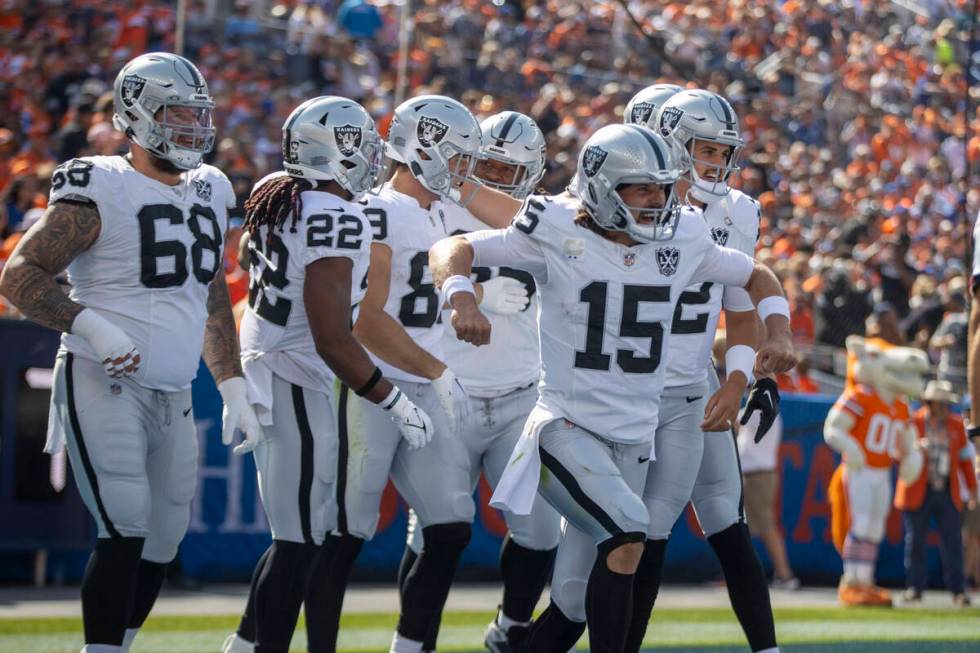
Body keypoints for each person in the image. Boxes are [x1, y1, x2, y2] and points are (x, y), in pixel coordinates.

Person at [430, 122, 798, 653]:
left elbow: (756, 274)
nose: (658, 200)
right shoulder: (556, 226)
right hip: (564, 427)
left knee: (573, 602)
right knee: (630, 531)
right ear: (602, 186)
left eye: (662, 186)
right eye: (642, 187)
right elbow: (455, 246)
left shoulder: (686, 233)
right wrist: (461, 297)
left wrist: (780, 331)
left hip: (634, 439)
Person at [0, 53, 265, 653]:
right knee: (125, 524)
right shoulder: (100, 184)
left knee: (164, 541)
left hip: (173, 388)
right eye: (175, 114)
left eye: (198, 115)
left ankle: (116, 643)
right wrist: (90, 325)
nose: (192, 129)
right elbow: (20, 275)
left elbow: (211, 295)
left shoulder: (211, 187)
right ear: (135, 116)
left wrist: (230, 383)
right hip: (103, 375)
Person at [220, 97, 435, 653]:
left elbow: (249, 258)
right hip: (295, 373)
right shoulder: (333, 214)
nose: (368, 156)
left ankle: (244, 647)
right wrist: (394, 402)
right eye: (359, 145)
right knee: (299, 541)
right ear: (333, 149)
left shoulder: (280, 191)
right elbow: (333, 337)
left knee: (299, 538)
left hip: (271, 362)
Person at [316, 95, 520, 653]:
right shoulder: (380, 210)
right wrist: (437, 368)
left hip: (425, 383)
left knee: (450, 524)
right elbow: (365, 318)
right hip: (369, 383)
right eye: (454, 156)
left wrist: (475, 293)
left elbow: (520, 218)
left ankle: (410, 648)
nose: (461, 169)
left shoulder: (438, 212)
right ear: (418, 148)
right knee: (344, 531)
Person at [398, 111, 561, 653]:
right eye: (488, 164)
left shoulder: (543, 219)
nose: (496, 176)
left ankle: (512, 626)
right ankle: (415, 641)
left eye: (510, 169)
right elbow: (398, 276)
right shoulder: (434, 205)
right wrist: (473, 293)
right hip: (450, 391)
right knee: (434, 531)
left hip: (521, 395)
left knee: (539, 532)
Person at [825, 336, 928, 607]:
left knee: (874, 527)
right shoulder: (861, 396)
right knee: (860, 524)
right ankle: (851, 581)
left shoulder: (901, 404)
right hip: (860, 469)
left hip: (882, 471)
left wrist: (912, 457)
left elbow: (908, 441)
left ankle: (865, 581)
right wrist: (852, 449)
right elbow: (833, 429)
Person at [895, 380, 976, 607]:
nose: (944, 409)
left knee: (952, 543)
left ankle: (958, 590)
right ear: (930, 403)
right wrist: (914, 449)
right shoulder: (913, 421)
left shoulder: (956, 425)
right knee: (915, 542)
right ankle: (915, 587)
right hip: (917, 490)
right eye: (940, 404)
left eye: (946, 404)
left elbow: (964, 461)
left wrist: (972, 491)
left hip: (946, 490)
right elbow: (896, 452)